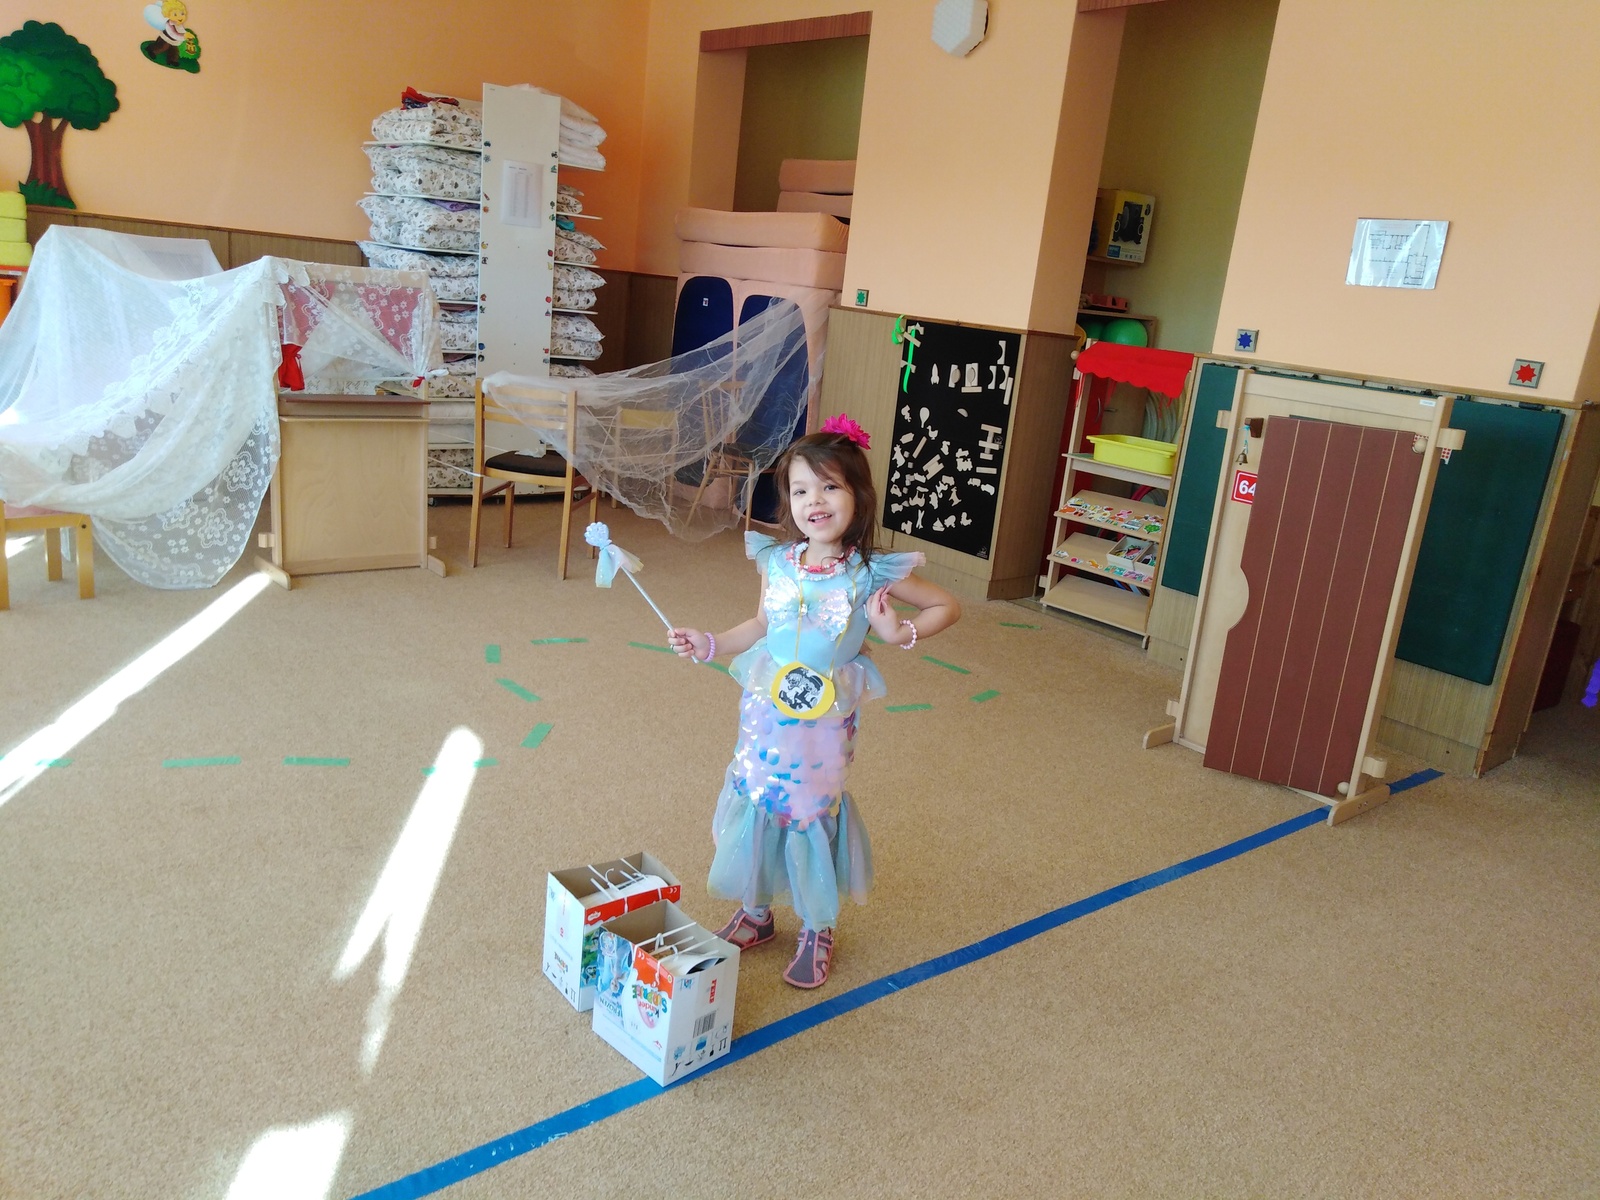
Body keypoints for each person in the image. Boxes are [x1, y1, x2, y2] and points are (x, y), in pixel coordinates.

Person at [669, 414, 961, 988]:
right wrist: (711, 642)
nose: (814, 501)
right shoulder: (777, 560)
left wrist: (897, 630)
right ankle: (757, 912)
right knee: (757, 796)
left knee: (809, 810)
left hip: (824, 723)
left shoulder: (870, 572)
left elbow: (946, 607)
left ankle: (816, 925)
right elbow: (760, 623)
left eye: (830, 487)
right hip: (766, 710)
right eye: (801, 490)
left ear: (858, 496)